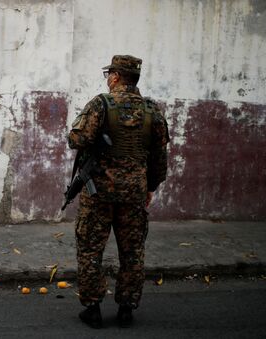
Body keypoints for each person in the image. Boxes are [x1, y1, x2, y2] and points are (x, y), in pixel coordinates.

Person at [68, 55, 169, 328]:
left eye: (109, 74)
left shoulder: (101, 104)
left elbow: (75, 138)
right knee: (133, 252)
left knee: (90, 250)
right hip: (134, 194)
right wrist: (150, 186)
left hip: (98, 193)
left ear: (115, 76)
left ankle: (93, 309)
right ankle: (126, 308)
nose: (108, 79)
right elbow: (160, 158)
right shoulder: (152, 111)